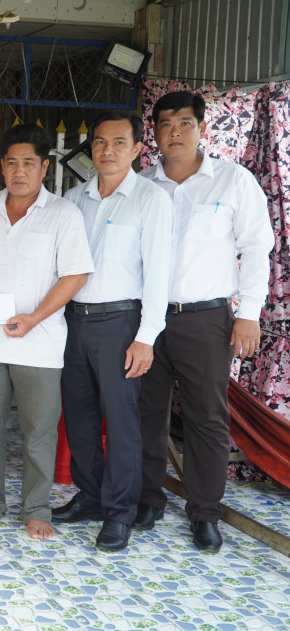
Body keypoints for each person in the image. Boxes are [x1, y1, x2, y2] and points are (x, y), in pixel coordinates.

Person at [137, 91, 274, 552]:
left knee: (207, 418)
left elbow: (256, 249)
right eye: (165, 124)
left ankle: (205, 512)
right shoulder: (143, 184)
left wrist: (248, 315)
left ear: (202, 128)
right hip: (147, 320)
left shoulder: (233, 181)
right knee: (146, 413)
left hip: (206, 318)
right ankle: (148, 499)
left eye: (184, 123)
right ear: (153, 132)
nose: (174, 132)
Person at [0, 124, 92, 540]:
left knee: (38, 431)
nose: (19, 171)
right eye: (11, 162)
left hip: (39, 344)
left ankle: (36, 507)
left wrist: (34, 317)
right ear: (2, 167)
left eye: (29, 162)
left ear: (44, 167)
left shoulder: (63, 213)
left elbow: (76, 275)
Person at [55, 112, 172, 552]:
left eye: (119, 142)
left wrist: (146, 336)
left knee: (122, 421)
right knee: (79, 414)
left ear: (138, 148)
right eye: (100, 141)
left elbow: (158, 272)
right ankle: (90, 496)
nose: (108, 150)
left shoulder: (150, 199)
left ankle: (121, 511)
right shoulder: (74, 199)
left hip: (121, 323)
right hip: (73, 320)